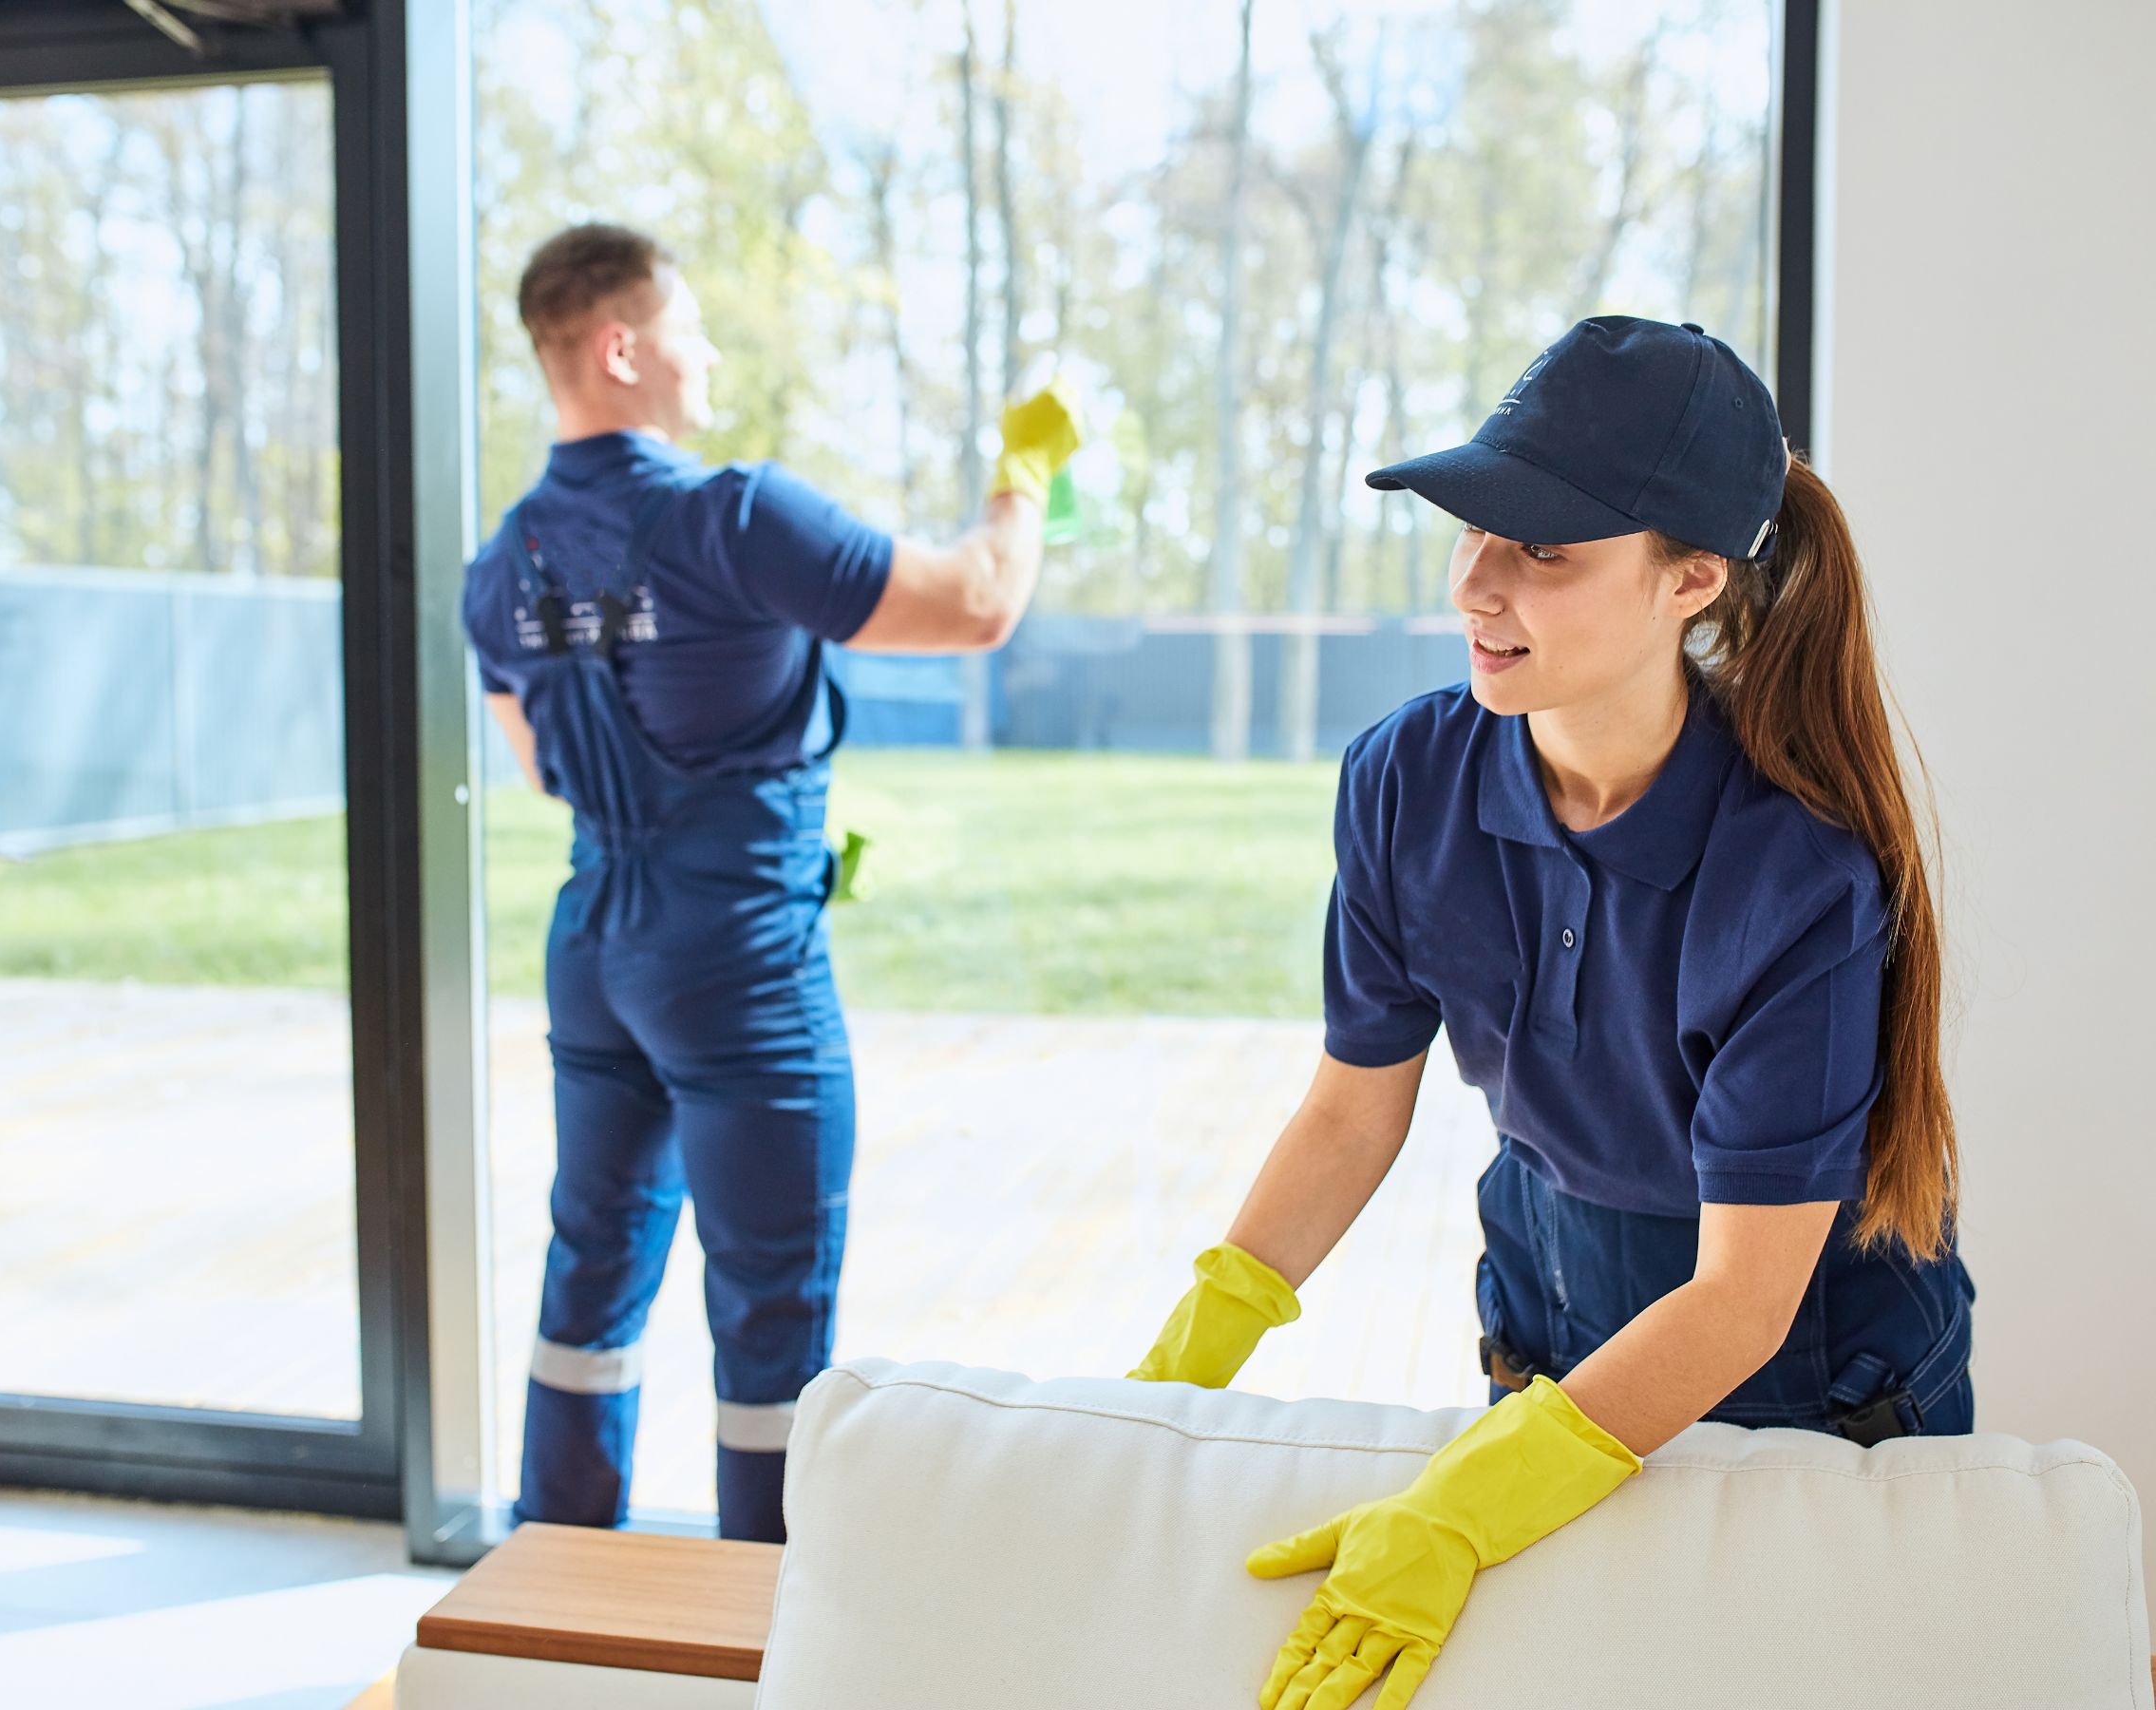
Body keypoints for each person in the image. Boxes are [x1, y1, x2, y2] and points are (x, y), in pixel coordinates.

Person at [1128, 316, 1969, 1709]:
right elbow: (1351, 1111)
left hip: (1810, 1385)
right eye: (1475, 534)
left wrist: (1466, 1506)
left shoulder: (1797, 878)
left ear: (1690, 580)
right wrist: (1197, 1346)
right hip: (1551, 1335)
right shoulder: (1408, 780)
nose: (1479, 586)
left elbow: (1742, 1301)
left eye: (1546, 552)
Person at [461, 223, 1080, 1543]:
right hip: (737, 965)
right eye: (690, 326)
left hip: (598, 954)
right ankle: (768, 1629)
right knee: (769, 1312)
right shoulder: (732, 518)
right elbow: (974, 604)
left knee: (590, 1277)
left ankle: (554, 1601)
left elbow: (546, 769)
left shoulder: (501, 566)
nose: (711, 351)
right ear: (622, 349)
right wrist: (1025, 474)